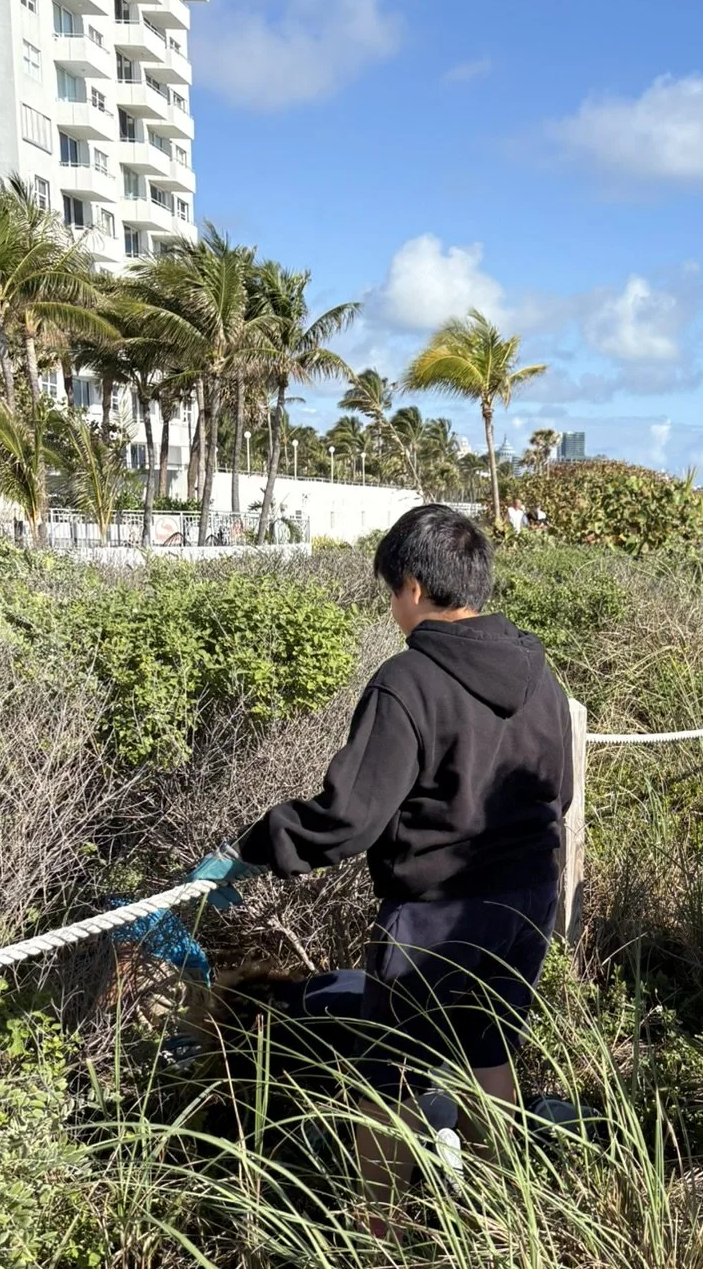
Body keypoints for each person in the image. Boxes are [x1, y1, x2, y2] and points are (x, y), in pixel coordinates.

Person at [189, 505, 573, 1186]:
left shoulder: (408, 682)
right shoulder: (540, 675)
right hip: (528, 902)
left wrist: (250, 848)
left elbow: (348, 818)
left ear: (415, 589)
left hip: (435, 916)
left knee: (385, 1075)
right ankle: (503, 1217)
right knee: (490, 1050)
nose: (394, 610)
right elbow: (559, 792)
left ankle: (379, 1236)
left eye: (392, 592)